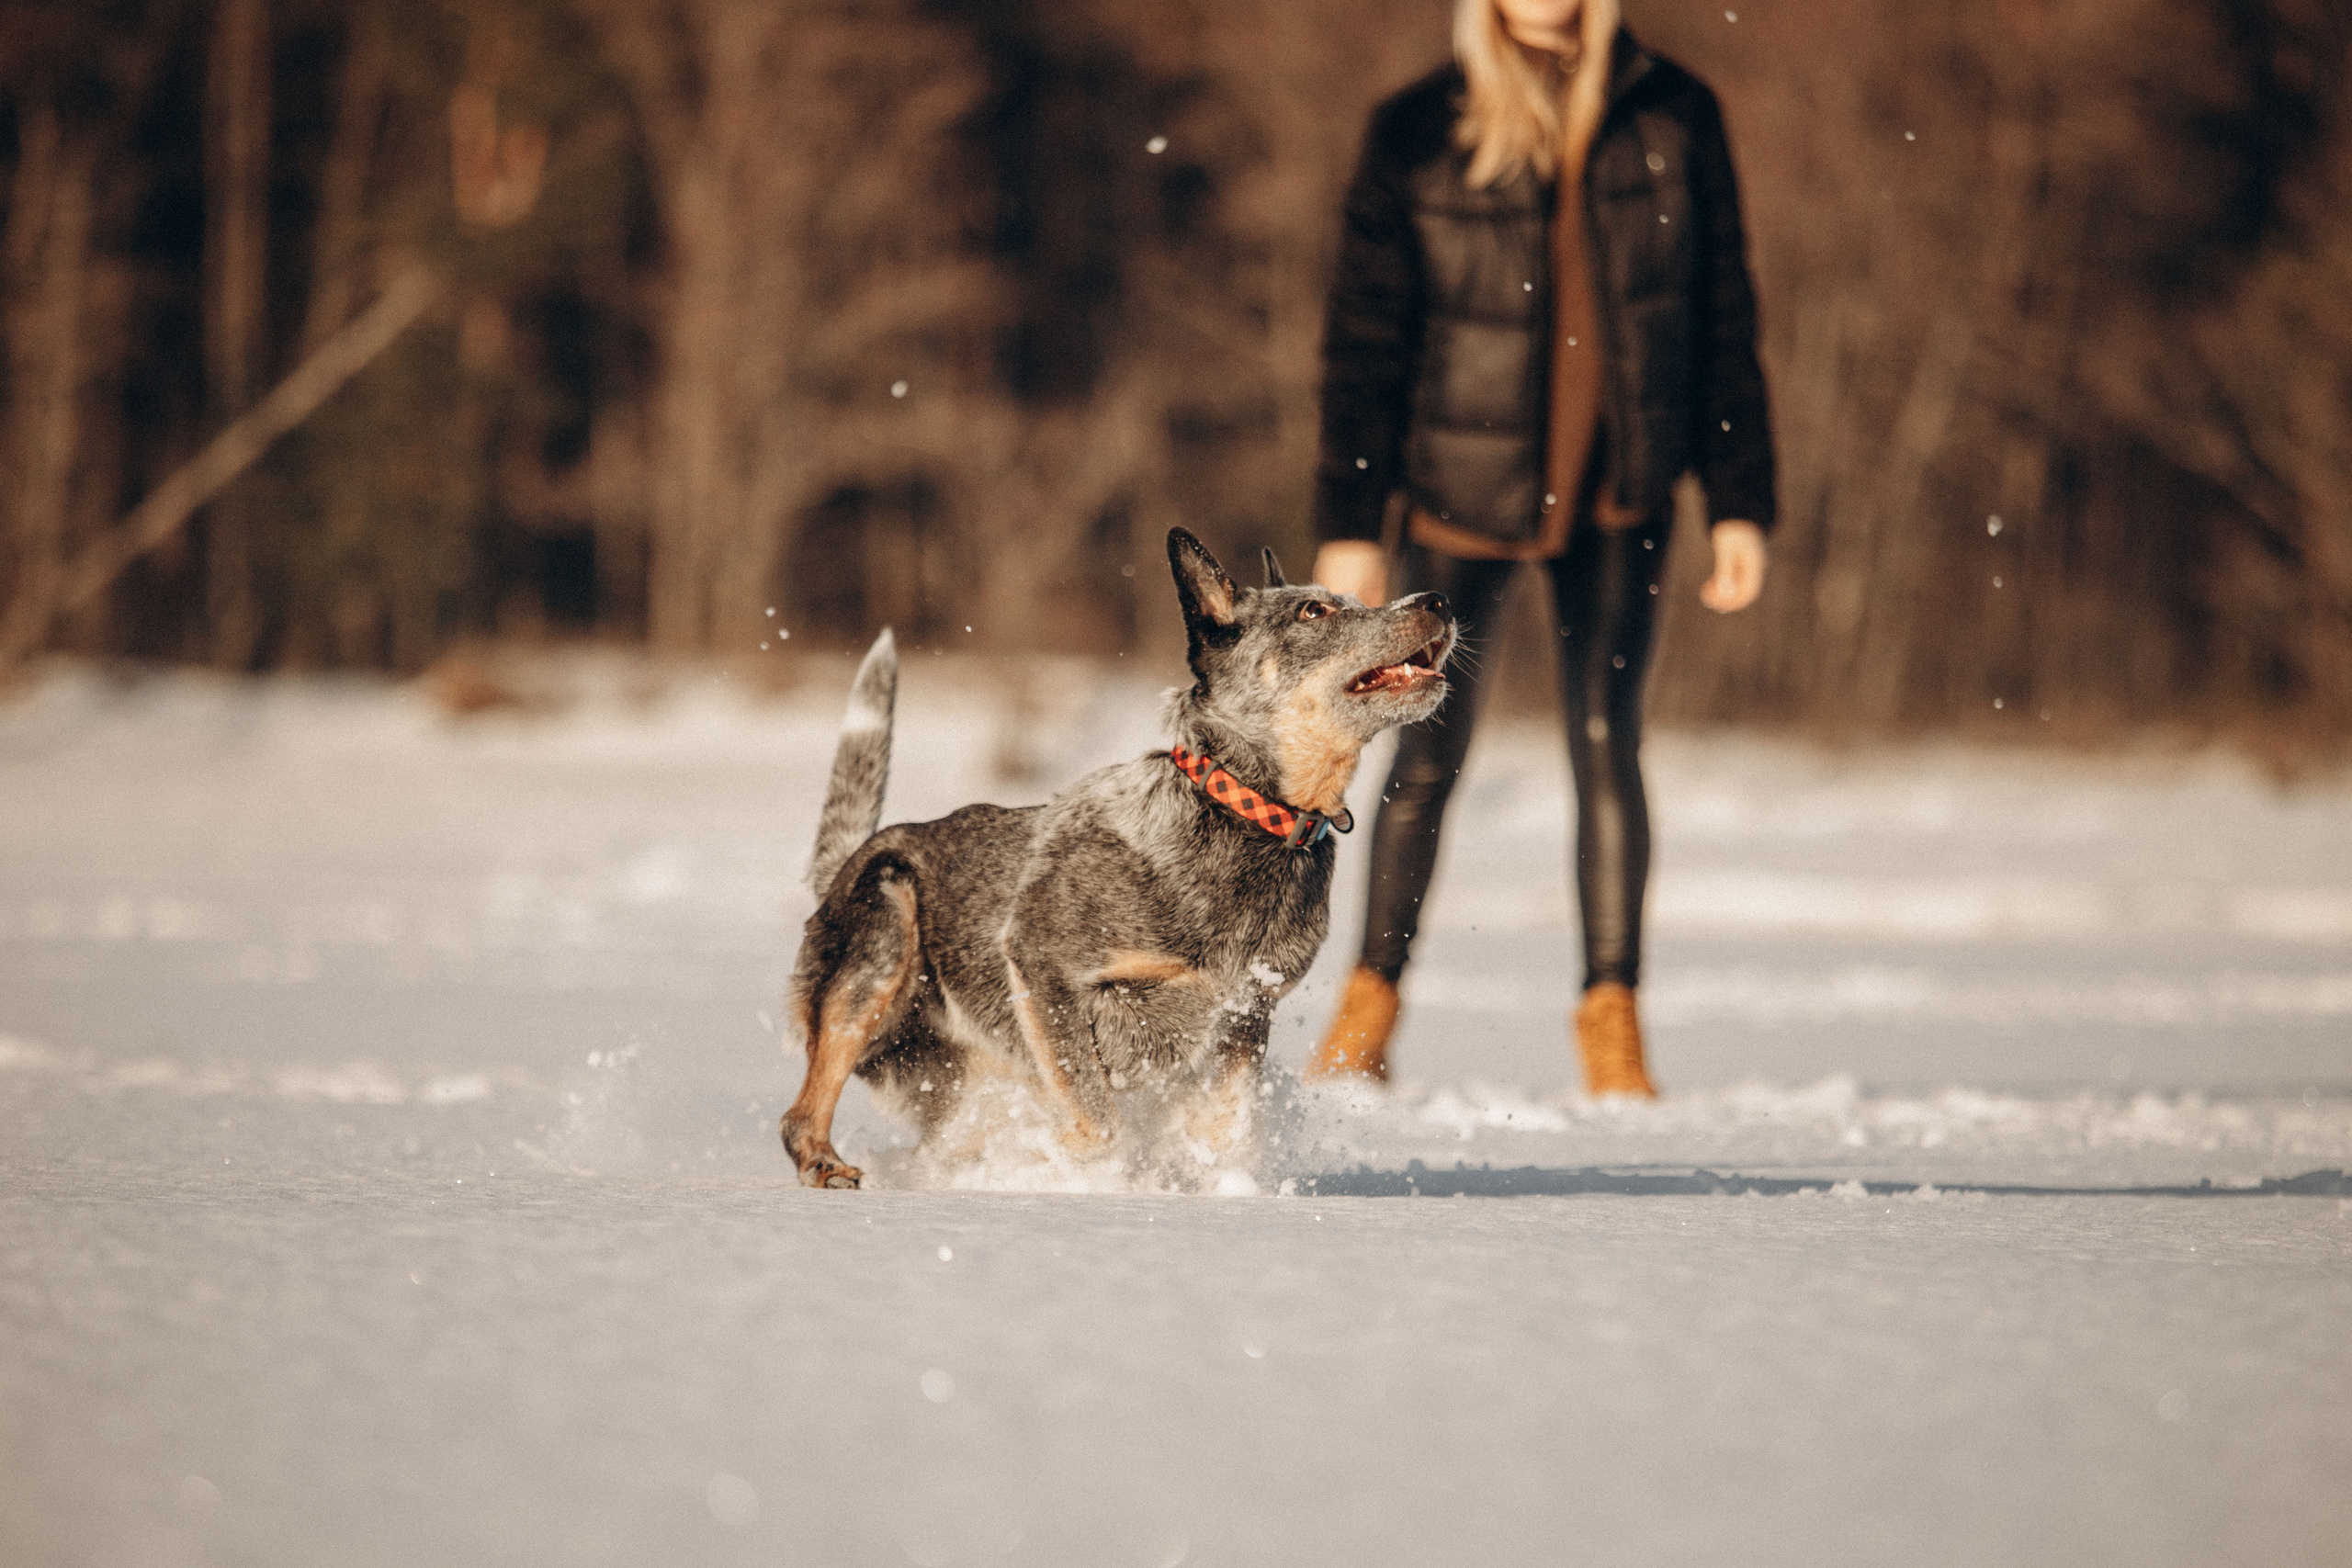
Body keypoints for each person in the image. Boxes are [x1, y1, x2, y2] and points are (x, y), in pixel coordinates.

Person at [1306, 0, 1774, 1096]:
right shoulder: (1419, 126)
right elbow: (1363, 337)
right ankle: (1367, 1010)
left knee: (1607, 743)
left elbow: (1721, 319)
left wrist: (1739, 498)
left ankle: (1611, 1023)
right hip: (1453, 496)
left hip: (1621, 489)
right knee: (1425, 756)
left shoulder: (1673, 114)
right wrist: (1348, 520)